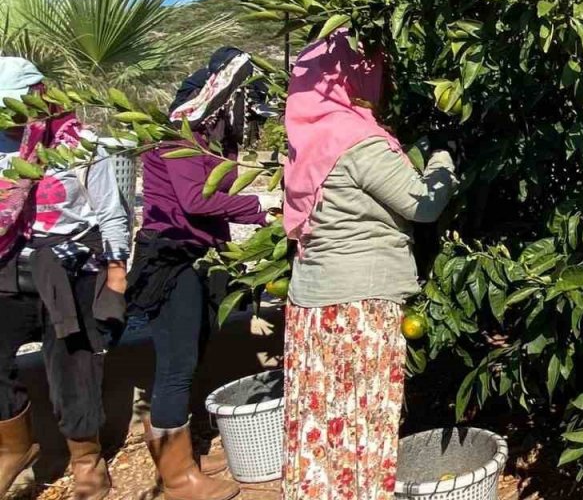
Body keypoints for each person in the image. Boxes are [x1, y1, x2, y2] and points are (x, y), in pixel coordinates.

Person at [281, 30, 456, 499]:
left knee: (321, 430)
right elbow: (422, 204)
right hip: (357, 309)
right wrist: (442, 158)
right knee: (362, 422)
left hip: (312, 307)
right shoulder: (357, 140)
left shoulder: (307, 139)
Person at [130, 47, 269, 500]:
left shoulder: (210, 138)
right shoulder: (180, 134)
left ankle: (183, 455)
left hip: (203, 256)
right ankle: (177, 478)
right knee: (176, 367)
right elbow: (194, 200)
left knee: (193, 355)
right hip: (173, 261)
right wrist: (259, 207)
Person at [0, 57, 131, 499]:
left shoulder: (80, 144)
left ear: (40, 97)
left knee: (75, 364)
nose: (12, 121)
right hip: (10, 264)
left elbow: (112, 212)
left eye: (17, 108)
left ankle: (85, 458)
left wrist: (116, 277)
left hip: (70, 264)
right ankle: (13, 447)